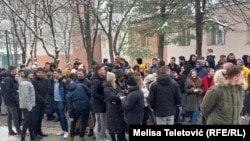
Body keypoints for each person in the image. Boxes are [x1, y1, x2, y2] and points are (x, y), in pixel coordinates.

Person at [104, 72, 126, 141]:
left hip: (118, 109)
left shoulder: (115, 85)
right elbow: (112, 97)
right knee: (114, 129)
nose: (115, 79)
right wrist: (119, 97)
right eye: (114, 78)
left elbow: (121, 92)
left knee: (120, 129)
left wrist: (119, 96)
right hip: (113, 111)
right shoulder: (107, 88)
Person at [1, 66, 22, 135]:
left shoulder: (4, 78)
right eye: (15, 70)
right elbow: (9, 91)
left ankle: (10, 130)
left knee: (10, 116)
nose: (16, 71)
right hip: (11, 100)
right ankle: (18, 131)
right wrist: (15, 98)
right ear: (11, 70)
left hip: (7, 99)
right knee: (15, 116)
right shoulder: (9, 78)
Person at [31, 67, 49, 139]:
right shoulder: (34, 81)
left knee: (41, 118)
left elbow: (48, 90)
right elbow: (35, 93)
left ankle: (39, 131)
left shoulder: (45, 80)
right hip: (37, 103)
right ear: (36, 73)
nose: (40, 74)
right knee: (36, 118)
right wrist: (43, 100)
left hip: (43, 102)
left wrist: (46, 99)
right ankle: (35, 133)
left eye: (41, 72)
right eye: (39, 72)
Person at [91, 65, 107, 141]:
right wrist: (103, 98)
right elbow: (94, 94)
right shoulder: (96, 81)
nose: (104, 71)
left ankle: (100, 137)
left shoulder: (101, 79)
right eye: (103, 70)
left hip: (101, 104)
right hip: (99, 104)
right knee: (101, 121)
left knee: (101, 121)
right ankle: (100, 138)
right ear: (99, 71)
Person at [19, 69, 36, 141]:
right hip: (27, 107)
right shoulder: (24, 84)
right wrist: (30, 107)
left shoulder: (28, 82)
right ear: (27, 74)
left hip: (30, 106)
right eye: (31, 73)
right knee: (26, 122)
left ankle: (32, 137)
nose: (32, 74)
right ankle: (22, 138)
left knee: (31, 122)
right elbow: (25, 97)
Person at [53, 68, 68, 139]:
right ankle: (62, 129)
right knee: (59, 117)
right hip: (55, 100)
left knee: (63, 117)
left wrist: (65, 101)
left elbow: (66, 91)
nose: (54, 74)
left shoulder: (63, 81)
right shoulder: (55, 81)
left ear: (59, 73)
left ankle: (66, 131)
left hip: (61, 101)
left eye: (55, 73)